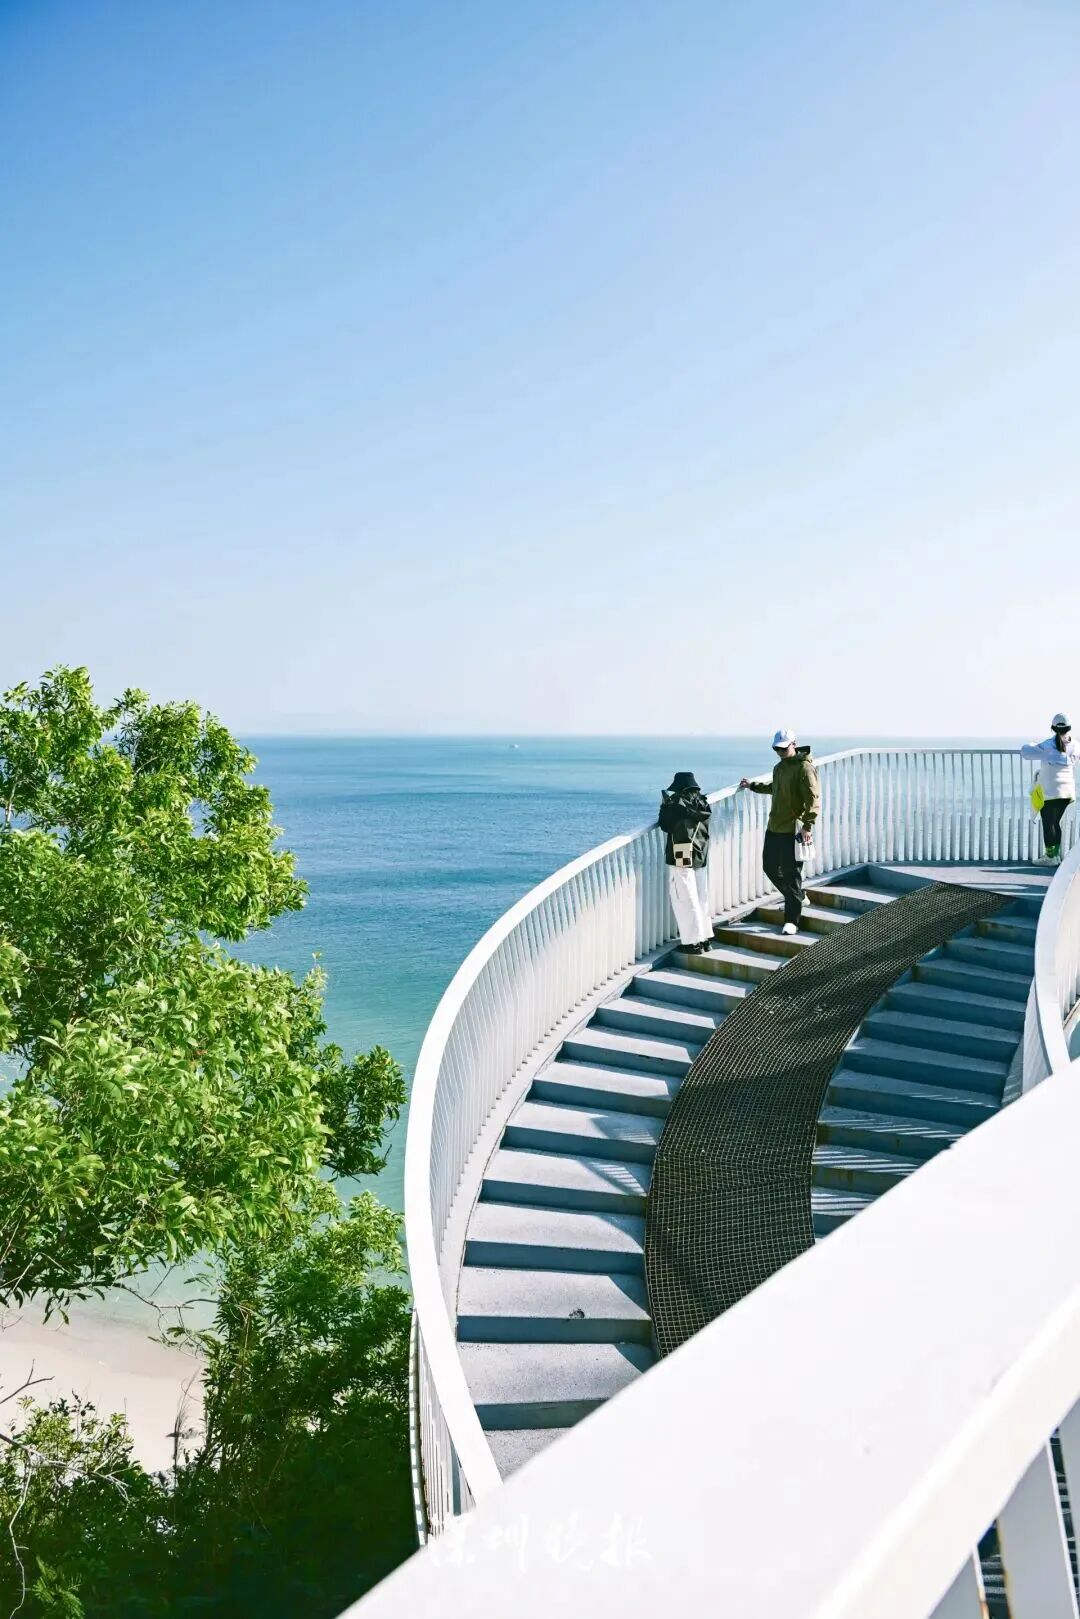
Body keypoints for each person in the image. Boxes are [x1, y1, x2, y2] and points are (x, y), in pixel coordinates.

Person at [738, 728, 820, 934]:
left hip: (792, 829)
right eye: (777, 749)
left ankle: (792, 920)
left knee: (791, 875)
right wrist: (752, 786)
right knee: (770, 867)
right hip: (774, 827)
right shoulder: (779, 767)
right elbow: (775, 788)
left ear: (794, 744)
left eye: (783, 748)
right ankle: (798, 896)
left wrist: (808, 826)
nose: (780, 752)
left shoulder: (805, 768)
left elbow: (813, 799)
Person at [659, 770, 713, 954]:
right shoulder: (703, 802)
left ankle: (693, 943)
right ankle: (705, 938)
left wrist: (665, 806)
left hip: (681, 852)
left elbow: (665, 825)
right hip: (700, 852)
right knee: (701, 896)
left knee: (684, 897)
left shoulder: (676, 803)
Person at [1020, 714, 1080, 864]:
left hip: (1051, 791)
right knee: (1055, 823)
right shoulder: (1076, 745)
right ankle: (1056, 856)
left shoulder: (1047, 745)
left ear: (1053, 728)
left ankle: (1050, 857)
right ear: (1069, 728)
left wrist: (1032, 743)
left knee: (1048, 823)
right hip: (1068, 792)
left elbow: (1025, 752)